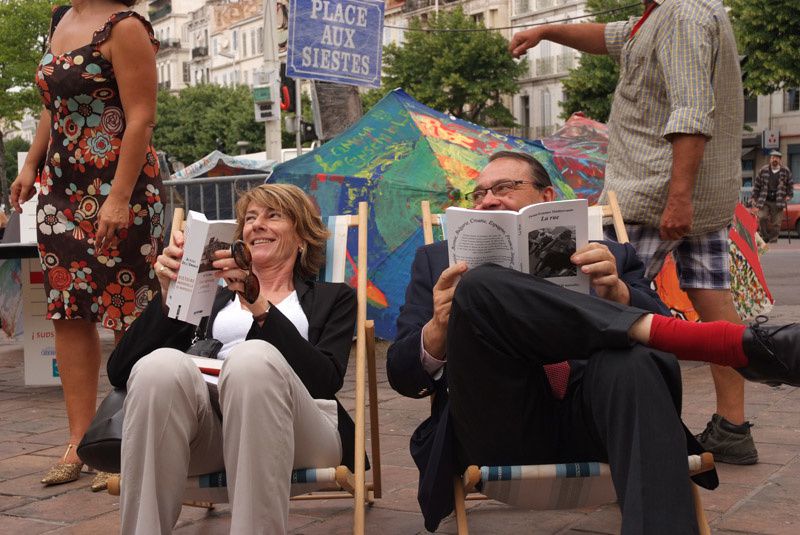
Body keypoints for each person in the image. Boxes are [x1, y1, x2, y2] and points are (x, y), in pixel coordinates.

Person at [386, 151, 800, 534]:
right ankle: (720, 343)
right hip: (499, 425)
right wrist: (438, 330)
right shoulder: (438, 262)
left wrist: (619, 294)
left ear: (547, 196)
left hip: (601, 418)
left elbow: (657, 347)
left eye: (505, 187)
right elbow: (402, 376)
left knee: (634, 363)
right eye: (479, 193)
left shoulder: (610, 254)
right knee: (479, 287)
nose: (488, 200)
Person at [509, 0, 757, 466]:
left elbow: (690, 112)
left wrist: (677, 198)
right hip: (700, 192)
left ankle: (604, 426)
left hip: (654, 194)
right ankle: (733, 426)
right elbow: (609, 36)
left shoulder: (680, 15)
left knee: (597, 299)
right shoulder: (664, 16)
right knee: (713, 300)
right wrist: (546, 31)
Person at [106, 184, 359, 534]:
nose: (257, 225)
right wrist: (169, 298)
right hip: (213, 434)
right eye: (250, 219)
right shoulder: (211, 299)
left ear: (302, 237)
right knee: (159, 366)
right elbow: (119, 371)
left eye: (273, 215)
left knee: (251, 359)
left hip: (301, 433)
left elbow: (325, 381)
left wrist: (259, 307)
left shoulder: (333, 298)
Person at [8, 0, 162, 488]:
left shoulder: (127, 27)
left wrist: (118, 199)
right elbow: (53, 107)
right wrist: (31, 165)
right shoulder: (60, 19)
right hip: (61, 188)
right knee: (69, 312)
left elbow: (141, 118)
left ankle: (129, 438)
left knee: (126, 311)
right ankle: (81, 443)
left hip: (120, 185)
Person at [752, 150, 793, 243]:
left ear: (780, 160)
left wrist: (788, 196)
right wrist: (754, 197)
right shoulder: (763, 170)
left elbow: (790, 185)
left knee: (776, 223)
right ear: (770, 159)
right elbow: (757, 185)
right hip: (764, 199)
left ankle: (773, 239)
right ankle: (765, 236)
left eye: (777, 158)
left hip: (778, 201)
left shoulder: (785, 171)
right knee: (762, 217)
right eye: (773, 158)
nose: (774, 160)